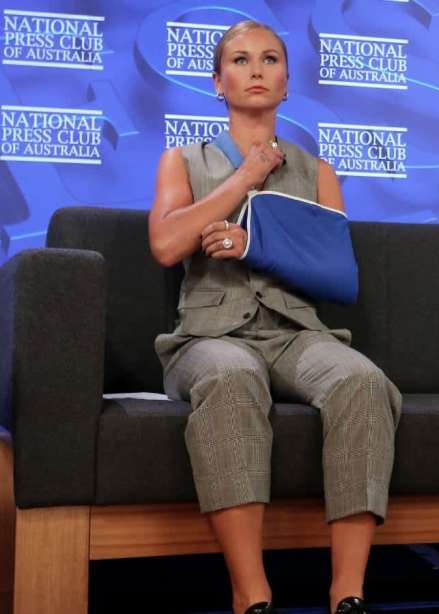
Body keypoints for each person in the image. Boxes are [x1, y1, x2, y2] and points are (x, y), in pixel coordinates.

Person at [148, 20, 400, 614]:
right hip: (209, 336)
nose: (256, 70)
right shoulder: (183, 161)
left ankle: (348, 593)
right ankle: (251, 593)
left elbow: (339, 278)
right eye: (239, 60)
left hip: (296, 334)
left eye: (269, 59)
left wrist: (253, 245)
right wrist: (245, 177)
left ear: (287, 82)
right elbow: (166, 245)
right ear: (218, 82)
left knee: (364, 382)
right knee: (232, 376)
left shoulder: (318, 172)